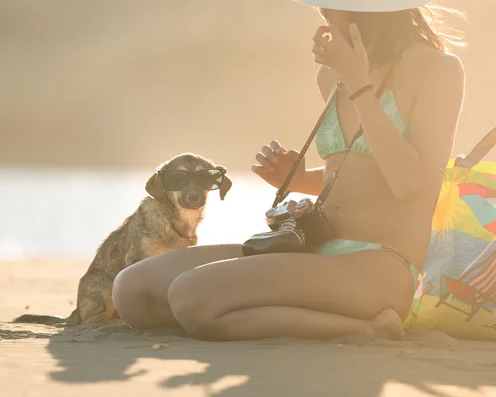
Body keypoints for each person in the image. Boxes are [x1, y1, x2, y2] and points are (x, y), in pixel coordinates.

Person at [111, 0, 466, 341]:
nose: (324, 21)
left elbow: (412, 184)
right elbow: (358, 174)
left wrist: (359, 84)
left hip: (379, 265)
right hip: (312, 246)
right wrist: (299, 180)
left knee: (192, 297)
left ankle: (369, 329)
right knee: (132, 291)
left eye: (331, 10)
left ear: (368, 14)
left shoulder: (437, 69)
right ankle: (252, 309)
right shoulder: (330, 76)